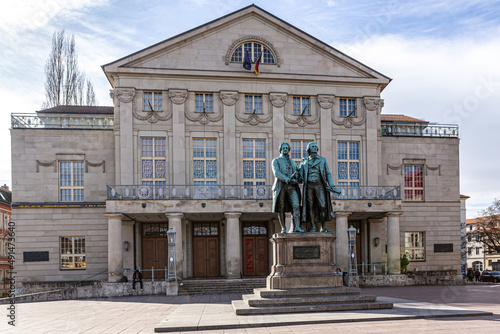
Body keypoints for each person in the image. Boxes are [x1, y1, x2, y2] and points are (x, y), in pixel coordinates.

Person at [298, 142, 341, 232]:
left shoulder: (322, 160)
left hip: (319, 185)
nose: (314, 148)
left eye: (315, 147)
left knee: (322, 205)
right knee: (310, 206)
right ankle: (313, 226)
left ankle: (323, 226)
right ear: (308, 149)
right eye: (312, 147)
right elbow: (300, 177)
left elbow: (328, 173)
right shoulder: (305, 161)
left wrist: (331, 185)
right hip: (309, 186)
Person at [272, 142, 304, 233]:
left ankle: (297, 226)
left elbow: (297, 174)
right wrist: (286, 179)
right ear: (280, 149)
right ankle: (283, 228)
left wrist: (298, 177)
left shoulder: (293, 162)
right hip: (281, 186)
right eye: (283, 148)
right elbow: (276, 173)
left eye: (287, 148)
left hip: (292, 187)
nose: (285, 149)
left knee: (296, 205)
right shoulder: (276, 160)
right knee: (281, 207)